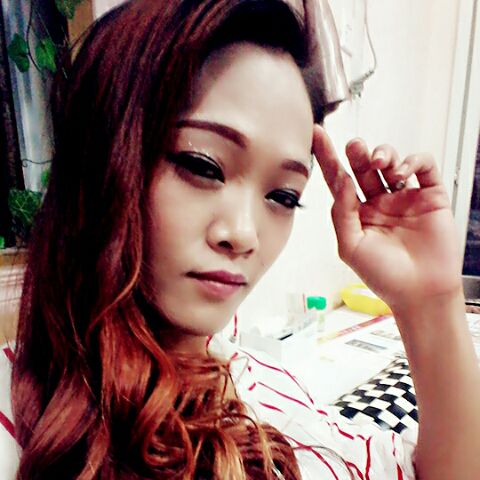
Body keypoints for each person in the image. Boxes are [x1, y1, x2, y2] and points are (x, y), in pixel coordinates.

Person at [0, 0, 479, 478]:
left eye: (283, 196)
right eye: (202, 166)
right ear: (103, 154)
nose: (245, 234)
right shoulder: (16, 420)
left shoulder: (260, 384)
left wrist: (430, 302)